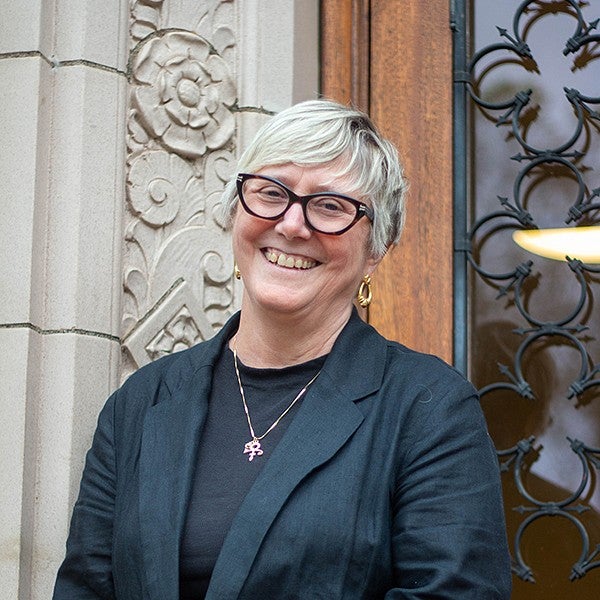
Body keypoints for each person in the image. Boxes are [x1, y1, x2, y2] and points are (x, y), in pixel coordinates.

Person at [54, 99, 512, 599]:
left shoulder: (430, 409)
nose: (293, 225)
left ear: (376, 250)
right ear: (235, 213)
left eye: (331, 206)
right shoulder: (141, 403)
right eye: (271, 194)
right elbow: (86, 588)